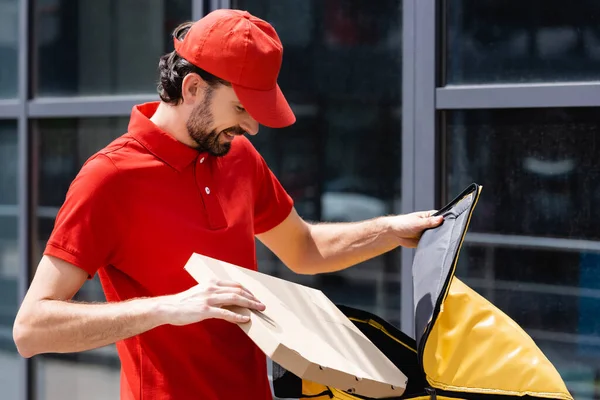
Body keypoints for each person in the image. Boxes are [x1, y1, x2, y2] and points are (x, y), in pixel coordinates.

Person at [13, 9, 443, 400]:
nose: (252, 127)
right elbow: (31, 329)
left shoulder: (237, 157)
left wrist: (388, 231)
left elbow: (305, 248)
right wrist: (168, 307)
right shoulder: (109, 178)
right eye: (240, 107)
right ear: (193, 88)